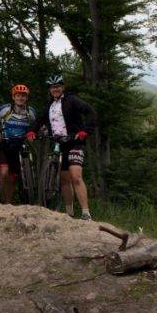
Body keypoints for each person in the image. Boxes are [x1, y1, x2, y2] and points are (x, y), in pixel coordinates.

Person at [26, 73, 96, 220]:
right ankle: (69, 213)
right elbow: (39, 120)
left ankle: (86, 213)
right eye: (52, 87)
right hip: (59, 144)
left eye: (58, 86)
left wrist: (85, 131)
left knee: (76, 176)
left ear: (62, 87)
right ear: (50, 90)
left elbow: (90, 112)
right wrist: (32, 131)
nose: (55, 89)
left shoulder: (72, 100)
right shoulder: (50, 106)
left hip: (74, 142)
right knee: (64, 180)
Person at [0, 84, 37, 205]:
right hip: (5, 143)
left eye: (23, 96)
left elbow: (35, 125)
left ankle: (8, 203)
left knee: (13, 177)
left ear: (26, 98)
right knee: (3, 172)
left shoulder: (30, 111)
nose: (20, 98)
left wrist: (37, 131)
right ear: (13, 97)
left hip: (19, 145)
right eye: (18, 96)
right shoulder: (5, 109)